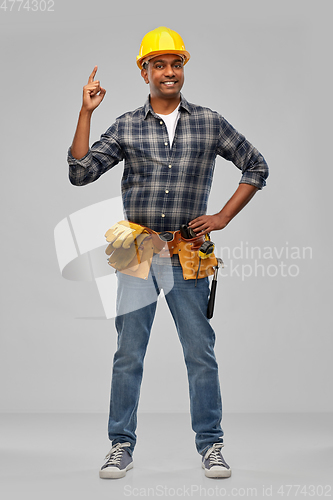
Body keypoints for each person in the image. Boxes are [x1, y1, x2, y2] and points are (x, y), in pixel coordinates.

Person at [67, 26, 268, 480]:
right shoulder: (125, 124)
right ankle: (120, 445)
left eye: (176, 64)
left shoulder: (210, 122)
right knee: (129, 353)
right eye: (159, 64)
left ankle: (211, 446)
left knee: (200, 352)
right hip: (137, 248)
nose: (169, 72)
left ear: (183, 69)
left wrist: (222, 217)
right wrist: (85, 111)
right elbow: (80, 173)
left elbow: (257, 165)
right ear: (145, 72)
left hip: (188, 250)